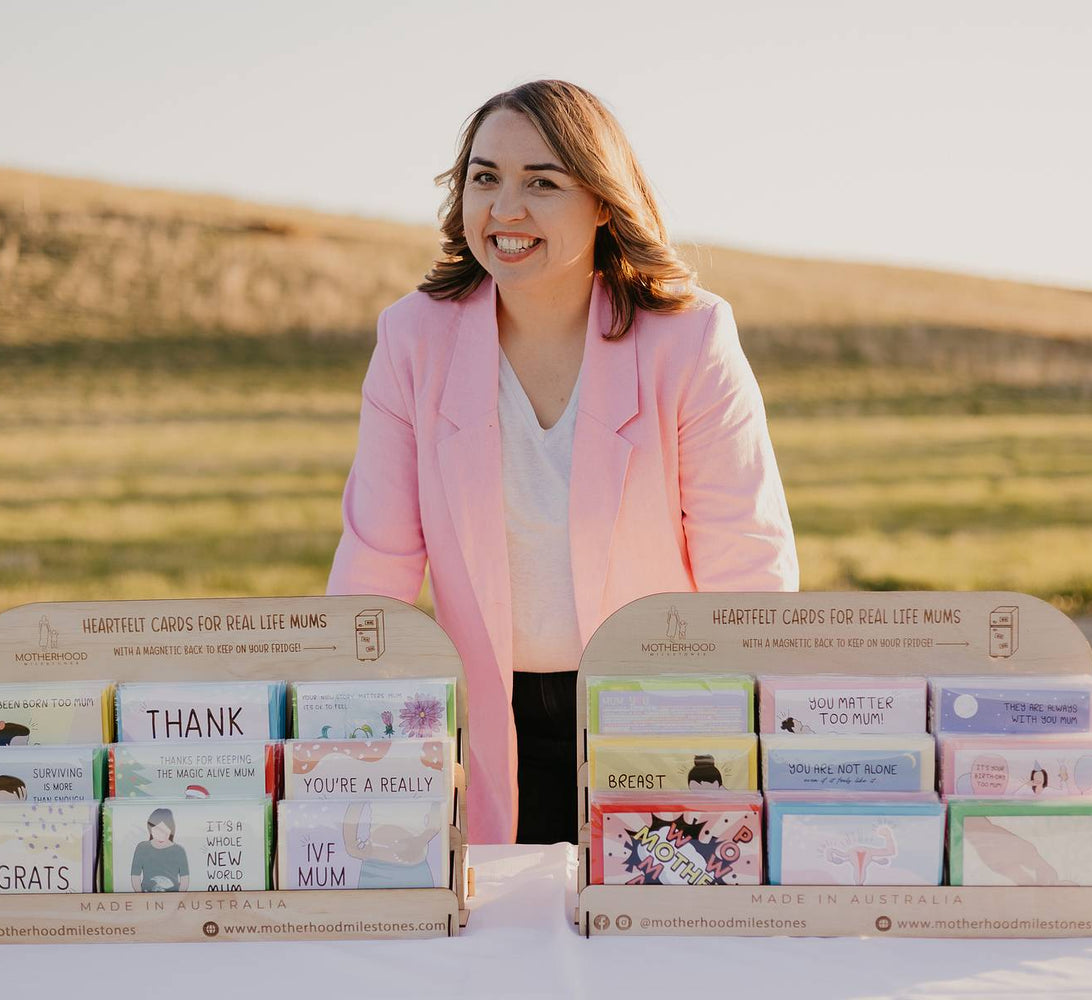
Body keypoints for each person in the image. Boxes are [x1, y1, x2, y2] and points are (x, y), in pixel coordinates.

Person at [327, 80, 798, 845]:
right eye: (486, 178)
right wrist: (339, 731)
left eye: (541, 183)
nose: (505, 209)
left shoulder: (692, 339)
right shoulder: (412, 339)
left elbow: (745, 563)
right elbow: (374, 562)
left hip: (662, 718)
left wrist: (753, 739)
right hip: (484, 726)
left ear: (603, 202)